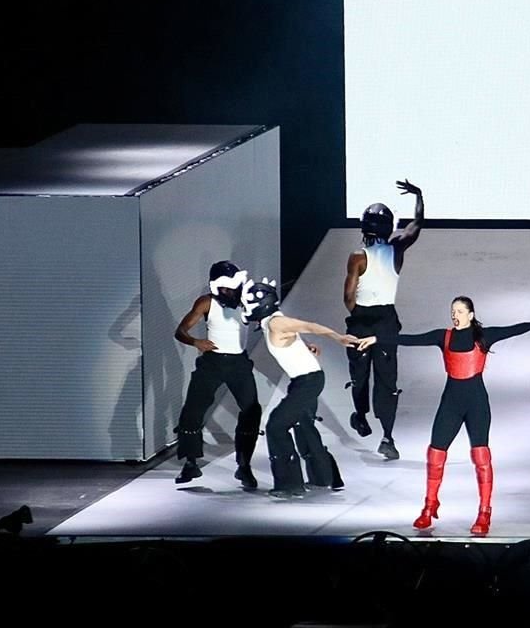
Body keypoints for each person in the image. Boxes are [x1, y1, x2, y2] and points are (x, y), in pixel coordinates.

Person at [358, 296, 530, 536]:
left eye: (460, 311)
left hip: (476, 403)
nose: (455, 315)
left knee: (481, 456)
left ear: (471, 315)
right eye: (453, 311)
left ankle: (484, 511)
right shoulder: (444, 336)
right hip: (451, 403)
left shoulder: (483, 336)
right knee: (435, 454)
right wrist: (377, 339)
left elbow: (511, 330)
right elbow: (412, 339)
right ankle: (429, 506)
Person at [241, 277, 357, 497]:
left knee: (276, 426)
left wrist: (338, 337)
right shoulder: (273, 322)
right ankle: (325, 477)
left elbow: (308, 325)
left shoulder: (275, 323)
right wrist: (306, 346)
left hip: (307, 382)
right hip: (305, 380)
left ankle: (289, 485)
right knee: (304, 425)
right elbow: (294, 334)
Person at [344, 179, 425, 460]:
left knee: (359, 374)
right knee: (387, 380)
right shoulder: (397, 250)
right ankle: (387, 437)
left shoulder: (357, 257)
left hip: (362, 319)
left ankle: (360, 415)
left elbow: (348, 296)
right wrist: (419, 196)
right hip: (387, 321)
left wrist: (358, 315)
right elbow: (417, 224)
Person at [173, 261, 261, 488]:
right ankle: (190, 462)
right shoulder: (206, 302)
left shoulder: (246, 302)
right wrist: (195, 342)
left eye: (230, 287)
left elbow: (273, 323)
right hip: (212, 362)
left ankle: (244, 465)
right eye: (222, 287)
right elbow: (180, 331)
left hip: (239, 363)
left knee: (252, 411)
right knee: (192, 411)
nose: (227, 291)